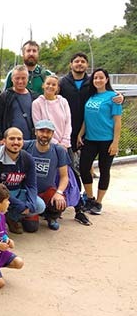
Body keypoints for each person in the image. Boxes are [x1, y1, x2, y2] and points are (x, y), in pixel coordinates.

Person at [77, 68, 123, 215]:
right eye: (95, 78)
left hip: (107, 140)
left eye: (101, 78)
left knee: (104, 171)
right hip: (90, 139)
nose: (98, 80)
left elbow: (117, 122)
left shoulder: (113, 97)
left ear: (107, 79)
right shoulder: (91, 96)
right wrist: (80, 134)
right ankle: (90, 198)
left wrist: (115, 142)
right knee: (84, 168)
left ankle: (99, 202)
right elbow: (86, 119)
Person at [0, 127, 45, 234]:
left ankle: (12, 218)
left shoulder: (27, 158)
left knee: (39, 206)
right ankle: (1, 219)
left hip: (18, 192)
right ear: (4, 141)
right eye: (12, 139)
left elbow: (32, 185)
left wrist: (30, 204)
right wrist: (19, 205)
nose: (16, 142)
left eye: (19, 139)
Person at [0, 64, 40, 142]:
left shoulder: (35, 98)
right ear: (12, 79)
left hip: (30, 141)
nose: (20, 81)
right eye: (17, 78)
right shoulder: (5, 97)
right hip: (9, 142)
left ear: (28, 79)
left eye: (23, 78)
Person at [32, 75, 72, 149]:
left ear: (57, 88)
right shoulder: (37, 103)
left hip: (65, 145)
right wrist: (56, 144)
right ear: (43, 85)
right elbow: (38, 126)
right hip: (47, 145)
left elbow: (68, 123)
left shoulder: (63, 101)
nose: (50, 86)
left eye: (54, 85)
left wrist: (64, 142)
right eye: (48, 83)